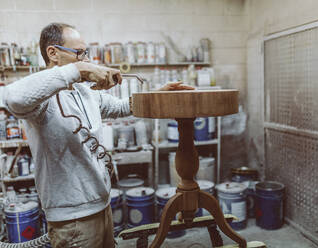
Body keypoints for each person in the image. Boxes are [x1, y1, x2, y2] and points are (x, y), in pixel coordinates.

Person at [4, 23, 193, 248]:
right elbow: (12, 98)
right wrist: (79, 70)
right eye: (79, 54)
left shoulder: (84, 91)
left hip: (101, 205)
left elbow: (123, 106)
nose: (85, 59)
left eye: (85, 54)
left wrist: (156, 96)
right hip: (73, 218)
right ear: (52, 53)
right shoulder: (42, 99)